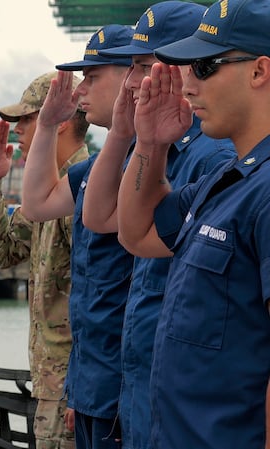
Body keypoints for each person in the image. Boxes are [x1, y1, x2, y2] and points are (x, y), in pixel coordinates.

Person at [79, 3, 235, 449]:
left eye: (144, 66)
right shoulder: (163, 145)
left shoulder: (212, 156)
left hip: (184, 393)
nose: (132, 81)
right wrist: (131, 133)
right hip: (142, 380)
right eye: (131, 68)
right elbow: (105, 219)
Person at [116, 0, 270, 447]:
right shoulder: (229, 180)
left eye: (204, 66)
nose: (187, 84)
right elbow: (137, 232)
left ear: (259, 71)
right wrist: (150, 143)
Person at [20, 25, 136, 449]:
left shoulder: (160, 163)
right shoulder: (98, 169)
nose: (81, 90)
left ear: (132, 75)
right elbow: (37, 203)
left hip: (126, 388)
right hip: (92, 381)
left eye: (93, 76)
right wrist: (48, 125)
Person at [0, 71, 88, 449]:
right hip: (52, 384)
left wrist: (84, 384)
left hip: (72, 387)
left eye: (27, 119)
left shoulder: (84, 191)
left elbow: (103, 298)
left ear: (62, 118)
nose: (18, 130)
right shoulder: (49, 193)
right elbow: (0, 253)